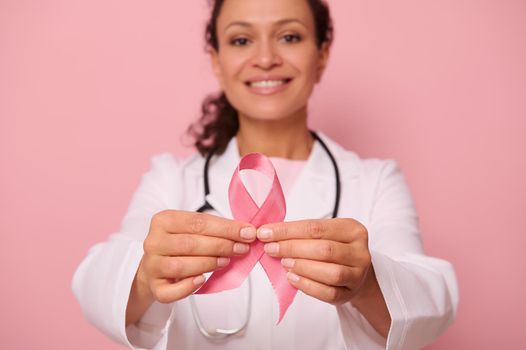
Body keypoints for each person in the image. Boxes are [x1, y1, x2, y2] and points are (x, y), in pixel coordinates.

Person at [72, 0, 459, 349]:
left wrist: (369, 282)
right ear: (216, 61)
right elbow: (96, 281)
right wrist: (143, 276)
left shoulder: (375, 181)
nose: (265, 58)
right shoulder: (171, 178)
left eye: (289, 36)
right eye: (241, 40)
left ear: (321, 55)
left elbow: (430, 302)